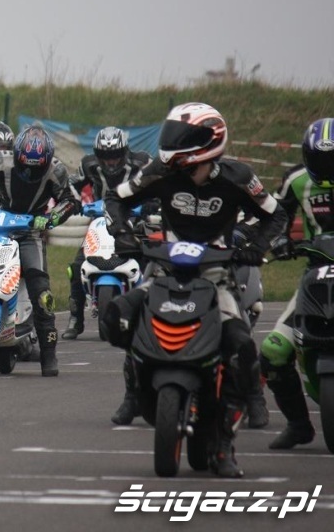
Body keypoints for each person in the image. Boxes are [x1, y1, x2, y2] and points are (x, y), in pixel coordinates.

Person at [103, 102, 287, 477]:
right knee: (117, 316)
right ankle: (135, 392)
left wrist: (257, 247)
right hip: (163, 268)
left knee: (242, 347)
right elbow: (116, 198)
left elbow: (276, 214)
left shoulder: (238, 177)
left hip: (216, 275)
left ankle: (224, 444)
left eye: (182, 138)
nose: (172, 147)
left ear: (209, 144)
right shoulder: (160, 171)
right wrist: (122, 234)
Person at [0, 125, 78, 377]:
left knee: (41, 293)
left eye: (36, 167)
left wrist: (51, 218)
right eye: (25, 165)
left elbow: (70, 200)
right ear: (17, 156)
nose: (29, 172)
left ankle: (48, 353)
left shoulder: (56, 171)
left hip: (30, 231)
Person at [60, 126, 154, 426]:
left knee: (150, 262)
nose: (110, 161)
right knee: (77, 265)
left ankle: (147, 310)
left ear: (124, 152)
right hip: (101, 219)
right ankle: (75, 319)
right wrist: (76, 201)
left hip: (134, 221)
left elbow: (155, 185)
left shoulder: (142, 162)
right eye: (105, 156)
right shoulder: (88, 165)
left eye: (114, 156)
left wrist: (149, 204)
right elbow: (72, 185)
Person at [260, 117, 334, 450]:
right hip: (315, 274)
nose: (328, 169)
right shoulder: (296, 180)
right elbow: (275, 217)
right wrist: (278, 241)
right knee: (274, 349)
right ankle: (298, 424)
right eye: (321, 161)